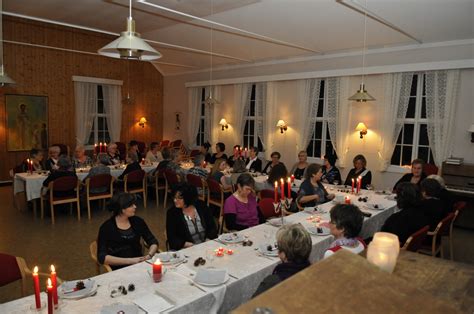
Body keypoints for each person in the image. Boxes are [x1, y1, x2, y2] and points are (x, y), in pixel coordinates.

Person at [97, 193, 158, 270]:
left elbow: (153, 242)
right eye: (131, 205)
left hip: (139, 265)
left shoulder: (138, 221)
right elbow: (102, 257)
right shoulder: (106, 228)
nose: (135, 207)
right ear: (122, 209)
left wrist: (149, 255)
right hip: (119, 269)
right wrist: (130, 261)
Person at [253, 224, 311, 297]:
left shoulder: (272, 283)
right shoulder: (314, 271)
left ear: (283, 254)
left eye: (278, 246)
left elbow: (250, 307)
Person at [166, 183, 217, 250]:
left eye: (179, 198)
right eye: (174, 197)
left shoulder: (201, 206)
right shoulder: (172, 213)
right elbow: (172, 239)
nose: (175, 200)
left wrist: (207, 241)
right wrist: (189, 245)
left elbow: (212, 227)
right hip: (187, 249)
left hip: (207, 245)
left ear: (188, 197)